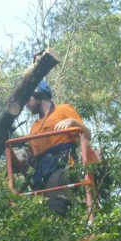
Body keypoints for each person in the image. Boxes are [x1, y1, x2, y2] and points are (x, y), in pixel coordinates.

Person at [25, 79, 99, 215]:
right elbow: (32, 155)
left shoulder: (64, 110)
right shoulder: (34, 126)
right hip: (41, 171)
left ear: (38, 95)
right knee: (36, 209)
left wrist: (73, 122)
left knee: (54, 202)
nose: (26, 104)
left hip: (62, 164)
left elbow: (87, 135)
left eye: (28, 98)